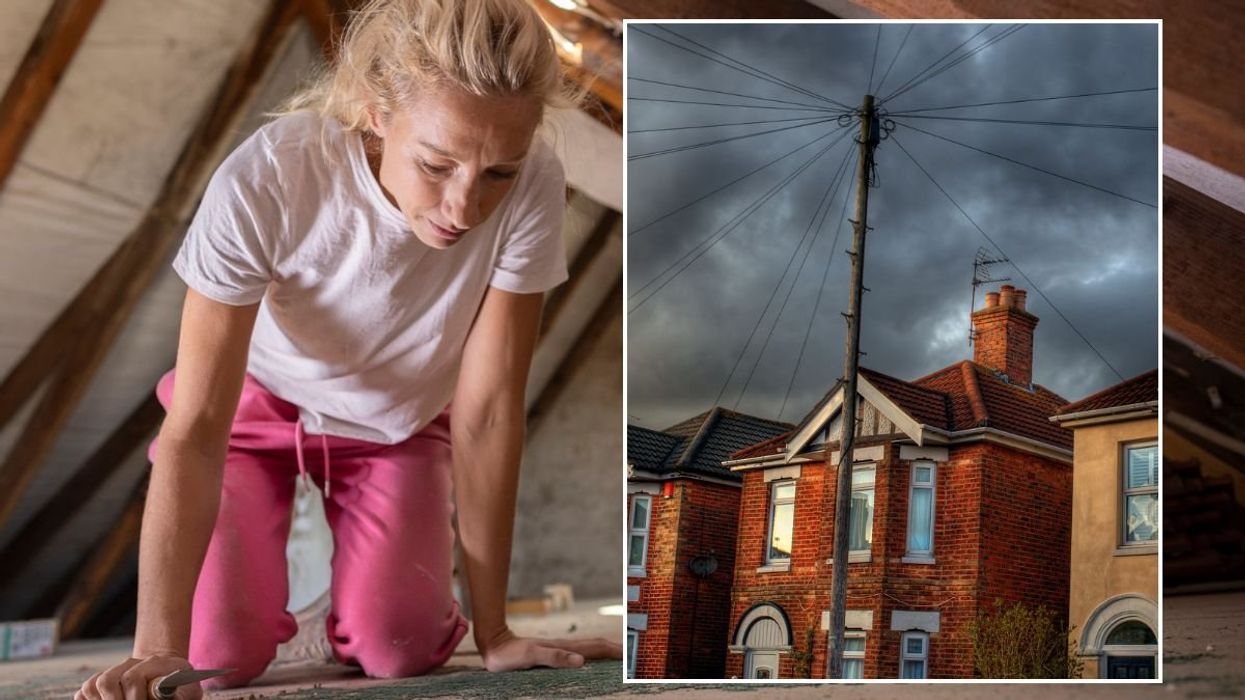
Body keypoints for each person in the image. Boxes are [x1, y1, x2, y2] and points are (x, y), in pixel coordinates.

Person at [75, 1, 621, 698]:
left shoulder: (534, 180)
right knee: (215, 661)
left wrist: (496, 633)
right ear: (376, 112)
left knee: (398, 650)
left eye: (496, 174)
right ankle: (281, 616)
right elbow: (198, 424)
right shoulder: (268, 177)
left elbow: (485, 412)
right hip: (254, 414)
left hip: (398, 421)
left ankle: (347, 616)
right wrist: (156, 646)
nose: (464, 208)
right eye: (435, 163)